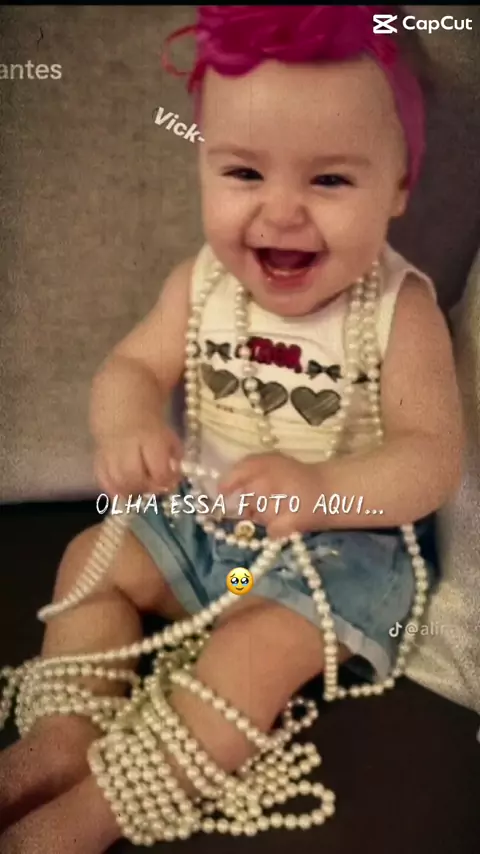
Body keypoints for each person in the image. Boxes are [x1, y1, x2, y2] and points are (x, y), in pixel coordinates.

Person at [0, 6, 463, 852]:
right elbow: (131, 369)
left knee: (252, 653)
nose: (280, 212)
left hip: (329, 556)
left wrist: (323, 488)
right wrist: (128, 422)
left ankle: (99, 810)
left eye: (330, 180)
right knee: (93, 563)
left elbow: (430, 459)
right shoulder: (200, 284)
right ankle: (66, 731)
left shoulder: (402, 314)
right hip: (207, 528)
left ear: (399, 187)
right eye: (245, 172)